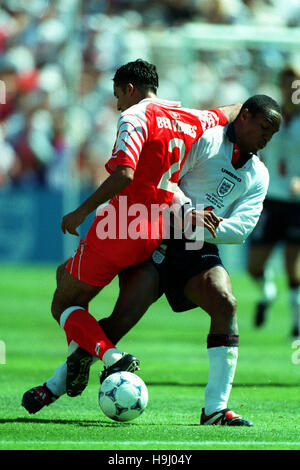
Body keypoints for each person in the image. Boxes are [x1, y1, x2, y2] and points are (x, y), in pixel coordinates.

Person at [22, 94, 282, 427]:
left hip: (197, 245)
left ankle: (215, 409)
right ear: (244, 117)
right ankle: (54, 386)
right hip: (159, 233)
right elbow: (167, 180)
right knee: (121, 320)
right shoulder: (207, 140)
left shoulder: (258, 175)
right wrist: (189, 213)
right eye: (263, 128)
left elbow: (242, 228)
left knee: (226, 302)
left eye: (271, 134)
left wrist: (201, 227)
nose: (266, 139)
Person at [248, 66, 300, 337]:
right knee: (254, 265)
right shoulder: (270, 116)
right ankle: (268, 291)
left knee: (293, 263)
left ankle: (297, 324)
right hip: (269, 197)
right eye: (287, 83)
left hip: (296, 202)